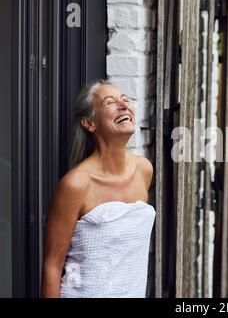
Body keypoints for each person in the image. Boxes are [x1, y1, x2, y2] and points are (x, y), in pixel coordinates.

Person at [41, 80, 156, 298]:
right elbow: (52, 266)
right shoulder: (76, 185)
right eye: (110, 102)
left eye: (125, 100)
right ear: (90, 123)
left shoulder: (144, 170)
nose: (123, 106)